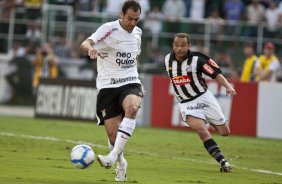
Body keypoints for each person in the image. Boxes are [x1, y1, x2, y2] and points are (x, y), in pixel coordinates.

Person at [80, 0, 144, 182]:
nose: (133, 23)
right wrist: (91, 49)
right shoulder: (108, 28)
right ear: (121, 15)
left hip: (130, 82)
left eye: (136, 20)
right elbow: (85, 43)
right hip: (107, 86)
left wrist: (138, 81)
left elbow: (134, 57)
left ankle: (111, 157)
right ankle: (121, 162)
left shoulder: (138, 33)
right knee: (113, 136)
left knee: (132, 108)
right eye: (130, 19)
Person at [164, 33, 236, 172]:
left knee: (225, 132)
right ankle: (223, 162)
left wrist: (227, 86)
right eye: (177, 45)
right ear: (173, 46)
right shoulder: (167, 59)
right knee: (202, 130)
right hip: (186, 103)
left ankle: (210, 119)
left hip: (204, 98)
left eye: (183, 45)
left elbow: (216, 74)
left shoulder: (198, 59)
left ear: (189, 46)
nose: (180, 48)